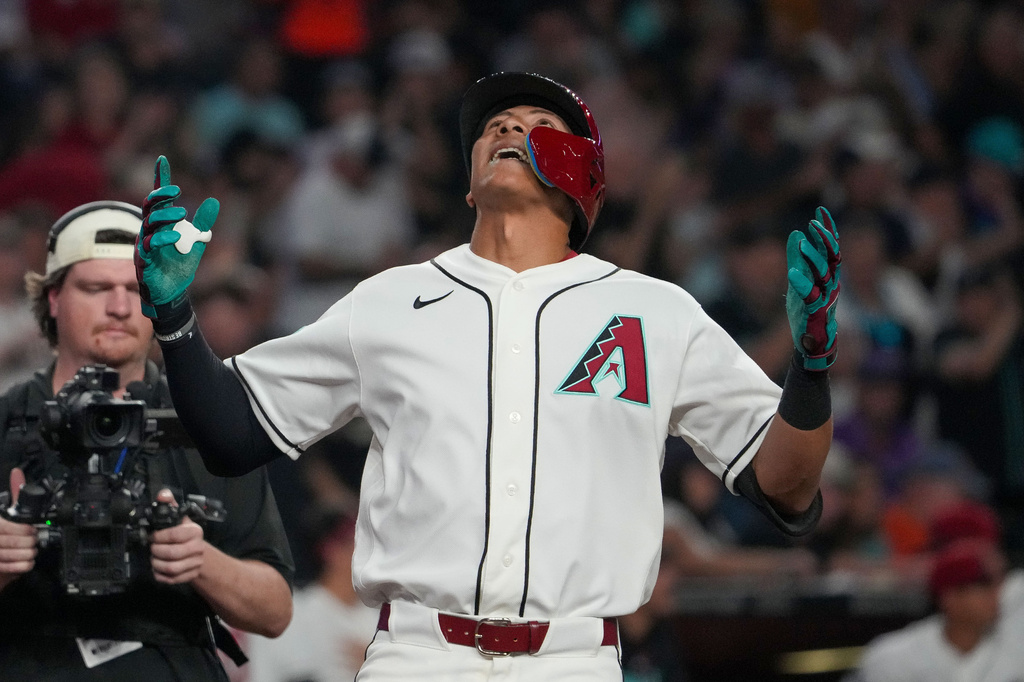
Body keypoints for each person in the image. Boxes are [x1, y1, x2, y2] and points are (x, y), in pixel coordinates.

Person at [134, 72, 841, 680]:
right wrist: (172, 317)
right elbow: (231, 431)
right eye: (495, 126)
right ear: (471, 182)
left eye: (539, 124)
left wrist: (810, 367)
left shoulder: (655, 311)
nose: (507, 126)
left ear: (584, 175)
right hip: (415, 653)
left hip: (574, 658)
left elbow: (785, 484)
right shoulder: (389, 300)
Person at [0, 200, 294, 680]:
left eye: (136, 289)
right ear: (53, 299)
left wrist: (201, 562)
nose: (119, 307)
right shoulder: (5, 421)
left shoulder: (206, 424)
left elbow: (275, 610)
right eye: (95, 288)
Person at [851, 537, 1024, 682]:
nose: (997, 595)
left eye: (998, 585)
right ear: (949, 597)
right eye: (984, 585)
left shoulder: (1014, 648)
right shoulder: (893, 658)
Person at [245, 508, 380, 682]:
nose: (373, 553)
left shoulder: (380, 618)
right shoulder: (294, 612)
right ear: (332, 550)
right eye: (361, 543)